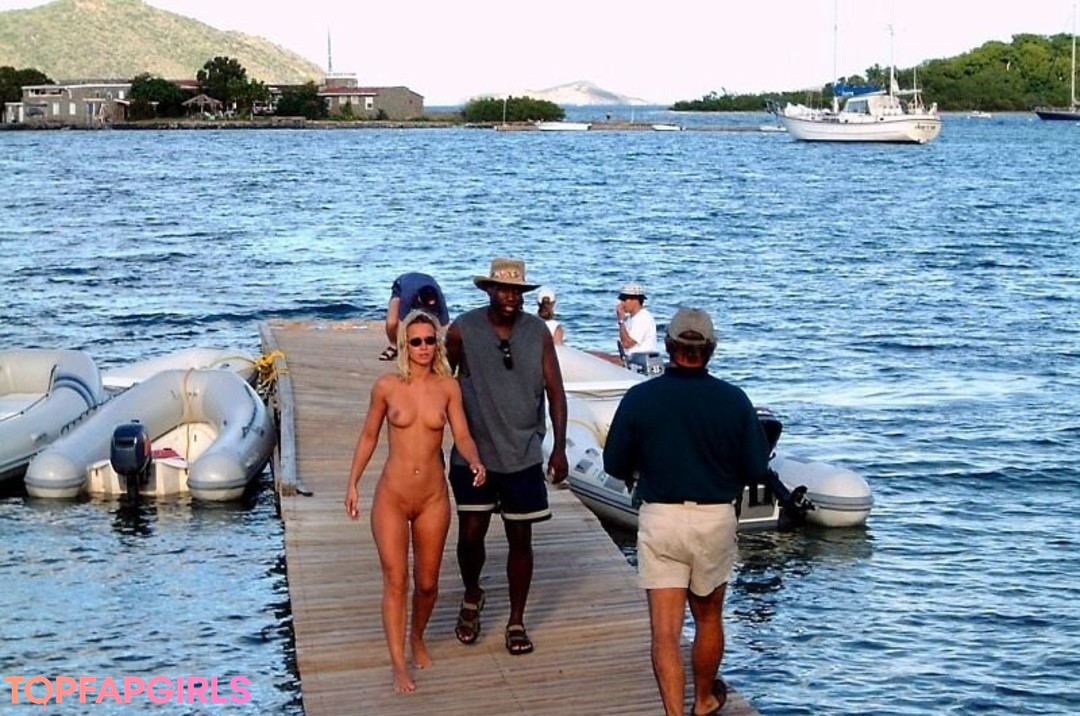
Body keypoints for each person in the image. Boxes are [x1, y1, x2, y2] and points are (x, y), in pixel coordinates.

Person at [602, 307, 769, 716]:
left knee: (665, 632)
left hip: (661, 517)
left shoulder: (641, 397)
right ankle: (704, 700)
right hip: (714, 518)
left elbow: (613, 462)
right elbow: (755, 468)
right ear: (710, 350)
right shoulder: (734, 400)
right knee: (709, 618)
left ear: (668, 345)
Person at [344, 309, 487, 694]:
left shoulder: (448, 388)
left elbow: (462, 435)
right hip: (392, 497)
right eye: (416, 341)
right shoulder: (387, 387)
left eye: (429, 340)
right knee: (396, 580)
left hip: (432, 499)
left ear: (437, 344)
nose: (424, 347)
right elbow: (369, 436)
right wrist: (353, 483)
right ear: (404, 346)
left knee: (426, 583)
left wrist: (475, 460)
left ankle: (417, 636)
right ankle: (397, 663)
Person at [445, 257, 568, 656]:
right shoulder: (463, 329)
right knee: (470, 535)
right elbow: (443, 383)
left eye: (517, 290)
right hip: (474, 454)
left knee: (521, 536)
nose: (511, 296)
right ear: (489, 290)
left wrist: (559, 448)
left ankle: (516, 619)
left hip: (523, 453)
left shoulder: (537, 333)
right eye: (503, 289)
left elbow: (556, 392)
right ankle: (472, 594)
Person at [381, 272, 450, 361]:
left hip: (426, 282)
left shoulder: (439, 297)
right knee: (392, 322)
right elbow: (402, 325)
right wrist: (405, 349)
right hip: (401, 286)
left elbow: (445, 326)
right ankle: (393, 346)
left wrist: (442, 348)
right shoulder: (408, 296)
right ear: (419, 300)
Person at [615, 281, 658, 355]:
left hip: (641, 359)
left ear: (635, 300)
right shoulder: (630, 318)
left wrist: (621, 320)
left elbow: (627, 343)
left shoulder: (643, 318)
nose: (622, 303)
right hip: (633, 358)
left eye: (624, 300)